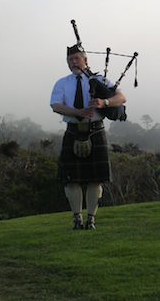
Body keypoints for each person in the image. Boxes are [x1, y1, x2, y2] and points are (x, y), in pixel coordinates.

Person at [50, 44, 126, 230]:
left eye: (76, 58)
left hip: (96, 130)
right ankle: (77, 218)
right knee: (71, 179)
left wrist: (104, 101)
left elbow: (121, 97)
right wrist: (78, 111)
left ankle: (91, 218)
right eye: (70, 59)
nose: (73, 62)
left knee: (95, 179)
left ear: (86, 60)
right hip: (73, 129)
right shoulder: (62, 83)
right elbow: (56, 105)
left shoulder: (99, 80)